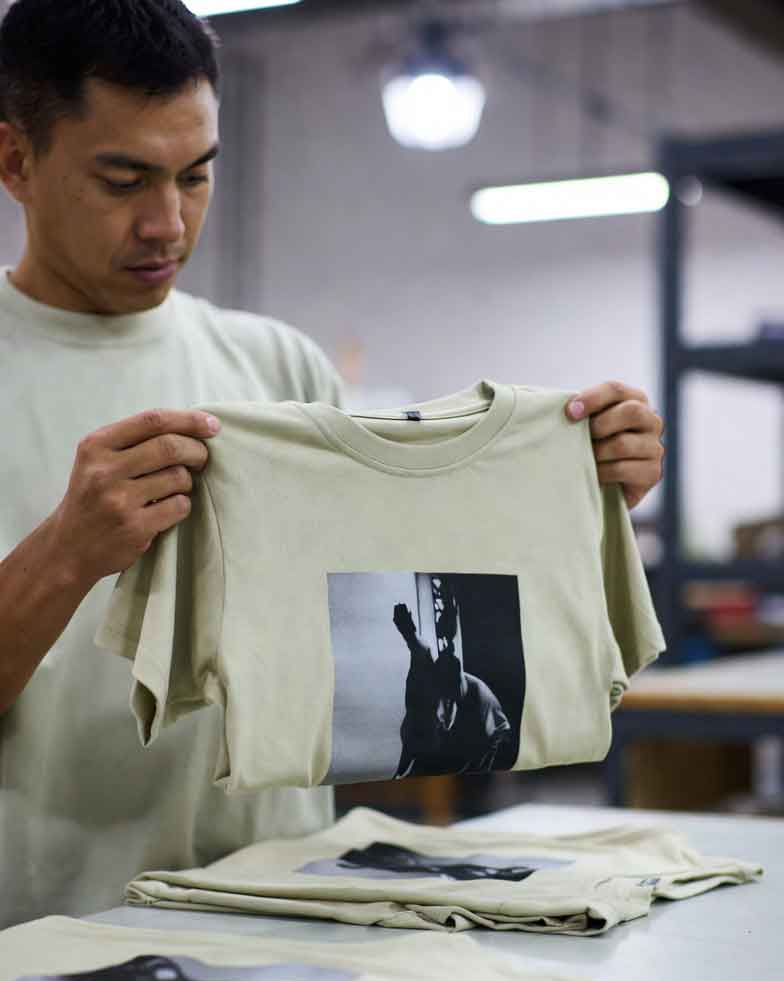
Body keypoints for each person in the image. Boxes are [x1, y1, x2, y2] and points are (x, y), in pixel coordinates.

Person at [0, 0, 665, 928]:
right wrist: (65, 555)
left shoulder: (280, 369)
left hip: (279, 917)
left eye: (197, 175)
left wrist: (573, 498)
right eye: (124, 181)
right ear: (16, 161)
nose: (168, 223)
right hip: (44, 943)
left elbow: (388, 636)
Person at [392, 603, 512, 778]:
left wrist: (486, 767)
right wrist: (409, 633)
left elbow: (501, 734)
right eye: (441, 702)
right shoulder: (423, 695)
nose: (442, 711)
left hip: (470, 756)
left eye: (448, 702)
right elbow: (420, 651)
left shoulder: (479, 698)